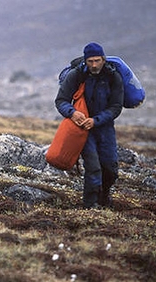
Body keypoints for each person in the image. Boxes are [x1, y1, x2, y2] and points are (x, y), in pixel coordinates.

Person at [55, 42, 124, 209]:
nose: (94, 65)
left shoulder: (114, 77)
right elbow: (61, 101)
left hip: (104, 128)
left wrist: (96, 120)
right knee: (93, 167)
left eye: (97, 61)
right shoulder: (76, 75)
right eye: (90, 61)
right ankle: (90, 205)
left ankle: (104, 197)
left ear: (103, 59)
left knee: (111, 169)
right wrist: (72, 113)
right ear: (85, 61)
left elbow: (116, 107)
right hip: (83, 130)